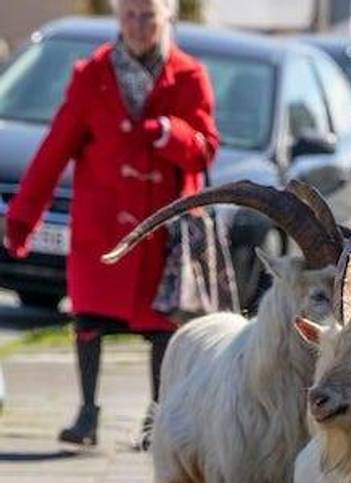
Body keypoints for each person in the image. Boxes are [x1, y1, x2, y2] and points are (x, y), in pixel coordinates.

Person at [3, 0, 219, 447]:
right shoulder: (93, 74)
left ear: (167, 18)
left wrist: (170, 133)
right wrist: (23, 217)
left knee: (161, 327)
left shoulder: (189, 75)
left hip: (159, 229)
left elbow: (205, 149)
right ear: (118, 18)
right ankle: (87, 413)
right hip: (101, 228)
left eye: (148, 16)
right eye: (130, 16)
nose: (138, 26)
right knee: (89, 319)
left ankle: (156, 418)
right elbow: (54, 150)